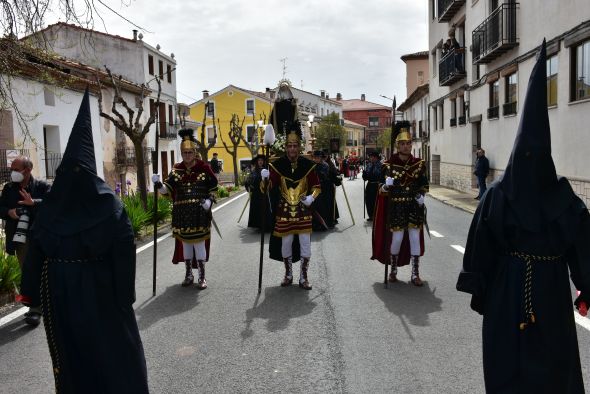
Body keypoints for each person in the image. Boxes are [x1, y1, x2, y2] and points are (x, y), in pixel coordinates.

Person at [456, 41, 589, 393]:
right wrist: (585, 288)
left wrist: (480, 288)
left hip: (507, 291)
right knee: (551, 366)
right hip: (549, 290)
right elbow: (582, 248)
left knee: (511, 365)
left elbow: (480, 247)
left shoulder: (499, 193)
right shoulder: (564, 198)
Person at [19, 89, 149, 393]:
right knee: (113, 353)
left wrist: (30, 293)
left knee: (73, 353)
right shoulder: (109, 205)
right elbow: (124, 251)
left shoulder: (52, 203)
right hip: (101, 291)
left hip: (61, 291)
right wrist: (124, 298)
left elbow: (36, 248)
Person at [261, 91, 321, 290]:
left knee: (305, 244)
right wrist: (265, 179)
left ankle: (304, 276)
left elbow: (317, 187)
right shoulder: (277, 165)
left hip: (303, 211)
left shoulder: (308, 164)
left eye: (295, 146)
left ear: (299, 146)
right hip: (284, 212)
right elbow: (268, 188)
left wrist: (312, 198)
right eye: (289, 146)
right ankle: (288, 273)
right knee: (285, 245)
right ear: (285, 147)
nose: (292, 150)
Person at [153, 128, 218, 289]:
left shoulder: (204, 168)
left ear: (195, 152)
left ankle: (202, 277)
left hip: (199, 214)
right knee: (187, 245)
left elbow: (213, 187)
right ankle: (189, 274)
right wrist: (158, 184)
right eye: (184, 153)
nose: (187, 156)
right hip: (182, 214)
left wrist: (209, 202)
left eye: (190, 152)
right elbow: (167, 190)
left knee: (199, 244)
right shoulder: (177, 170)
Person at [371, 126, 429, 286]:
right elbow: (381, 189)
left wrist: (421, 196)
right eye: (402, 143)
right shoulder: (388, 165)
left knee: (414, 238)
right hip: (395, 207)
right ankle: (393, 269)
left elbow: (423, 184)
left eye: (408, 143)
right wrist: (386, 186)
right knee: (396, 239)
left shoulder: (418, 164)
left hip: (413, 207)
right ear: (397, 145)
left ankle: (415, 273)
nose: (406, 146)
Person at [0, 155, 50, 326]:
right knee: (28, 273)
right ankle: (34, 308)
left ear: (27, 170)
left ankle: (48, 302)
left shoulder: (42, 186)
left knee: (46, 271)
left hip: (42, 236)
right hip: (21, 239)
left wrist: (33, 202)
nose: (12, 173)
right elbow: (1, 207)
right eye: (11, 169)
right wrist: (9, 212)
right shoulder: (8, 189)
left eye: (15, 169)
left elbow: (55, 203)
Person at [244, 154, 271, 230]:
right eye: (259, 160)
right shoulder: (254, 171)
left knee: (265, 208)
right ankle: (258, 225)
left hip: (264, 194)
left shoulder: (267, 170)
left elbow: (270, 181)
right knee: (257, 209)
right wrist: (249, 185)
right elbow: (249, 181)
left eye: (262, 160)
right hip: (256, 194)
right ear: (257, 162)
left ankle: (266, 225)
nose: (260, 162)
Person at [362, 151, 385, 221]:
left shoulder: (381, 165)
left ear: (376, 158)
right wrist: (364, 174)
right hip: (369, 185)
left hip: (376, 185)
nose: (370, 158)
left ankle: (376, 215)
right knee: (368, 200)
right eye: (370, 157)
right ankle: (371, 215)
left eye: (372, 157)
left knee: (375, 201)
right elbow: (365, 178)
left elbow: (381, 176)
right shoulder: (368, 165)